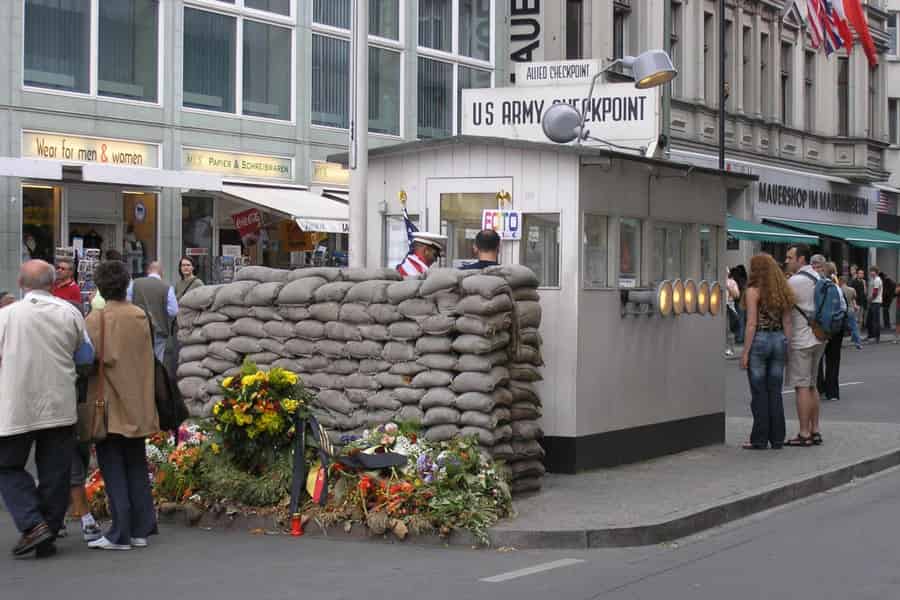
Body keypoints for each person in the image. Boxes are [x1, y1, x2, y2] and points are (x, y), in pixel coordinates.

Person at [0, 260, 94, 558]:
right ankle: (47, 530)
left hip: (15, 403)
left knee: (7, 466)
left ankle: (33, 523)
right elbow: (86, 356)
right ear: (53, 283)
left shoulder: (6, 316)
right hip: (59, 401)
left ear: (20, 283)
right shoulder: (70, 313)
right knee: (56, 470)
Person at [85, 260, 159, 551]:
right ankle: (142, 528)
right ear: (126, 284)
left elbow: (85, 358)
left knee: (113, 466)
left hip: (109, 403)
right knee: (136, 464)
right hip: (138, 399)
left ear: (100, 287)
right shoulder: (140, 315)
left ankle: (120, 533)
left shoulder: (96, 319)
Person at [739, 254, 794, 450]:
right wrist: (787, 348)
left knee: (759, 392)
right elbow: (787, 322)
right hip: (779, 339)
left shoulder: (753, 291)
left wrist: (745, 352)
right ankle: (777, 438)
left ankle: (760, 438)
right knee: (775, 391)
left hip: (760, 340)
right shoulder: (783, 290)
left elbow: (751, 324)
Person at [784, 245, 826, 447]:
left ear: (801, 259)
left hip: (801, 339)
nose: (787, 261)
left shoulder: (794, 281)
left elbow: (781, 307)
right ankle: (815, 429)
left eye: (790, 257)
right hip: (819, 337)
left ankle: (803, 433)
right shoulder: (819, 278)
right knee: (812, 385)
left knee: (801, 386)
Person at [127, 260, 178, 361]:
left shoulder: (135, 283)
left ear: (148, 271)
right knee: (157, 360)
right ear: (161, 272)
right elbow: (174, 311)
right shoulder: (167, 287)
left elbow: (127, 303)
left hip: (138, 327)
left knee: (139, 359)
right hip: (159, 330)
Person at [816, 262, 846, 401]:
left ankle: (819, 388)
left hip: (821, 326)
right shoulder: (837, 287)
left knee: (818, 359)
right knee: (833, 359)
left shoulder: (817, 286)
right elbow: (843, 307)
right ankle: (832, 391)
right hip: (835, 327)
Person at [840, 276, 863, 349]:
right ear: (846, 281)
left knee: (840, 328)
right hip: (851, 309)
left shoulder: (839, 290)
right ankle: (858, 343)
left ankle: (840, 343)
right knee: (854, 326)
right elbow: (854, 299)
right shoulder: (852, 289)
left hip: (842, 310)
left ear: (840, 281)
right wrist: (855, 306)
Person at [867, 266, 883, 344]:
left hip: (876, 302)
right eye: (870, 271)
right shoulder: (873, 279)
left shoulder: (877, 280)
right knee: (870, 319)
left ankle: (877, 337)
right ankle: (871, 336)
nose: (870, 272)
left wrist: (870, 299)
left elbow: (875, 292)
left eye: (872, 271)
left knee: (875, 320)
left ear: (875, 272)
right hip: (873, 302)